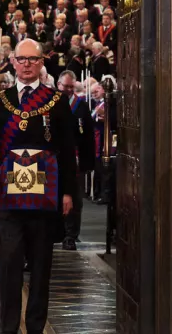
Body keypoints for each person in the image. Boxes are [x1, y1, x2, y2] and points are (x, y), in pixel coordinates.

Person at [0, 39, 78, 334]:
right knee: (8, 265)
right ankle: (9, 326)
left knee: (40, 265)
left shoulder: (55, 101)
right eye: (21, 60)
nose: (27, 65)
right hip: (9, 196)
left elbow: (67, 149)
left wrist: (68, 192)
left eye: (32, 60)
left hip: (44, 198)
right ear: (12, 61)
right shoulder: (3, 99)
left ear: (41, 62)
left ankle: (35, 326)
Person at [56, 72, 95, 250]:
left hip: (76, 158)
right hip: (55, 158)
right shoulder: (51, 102)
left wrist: (88, 162)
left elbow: (88, 135)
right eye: (66, 86)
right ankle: (57, 232)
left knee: (75, 197)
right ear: (58, 85)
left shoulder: (81, 106)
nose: (68, 90)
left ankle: (71, 235)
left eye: (71, 87)